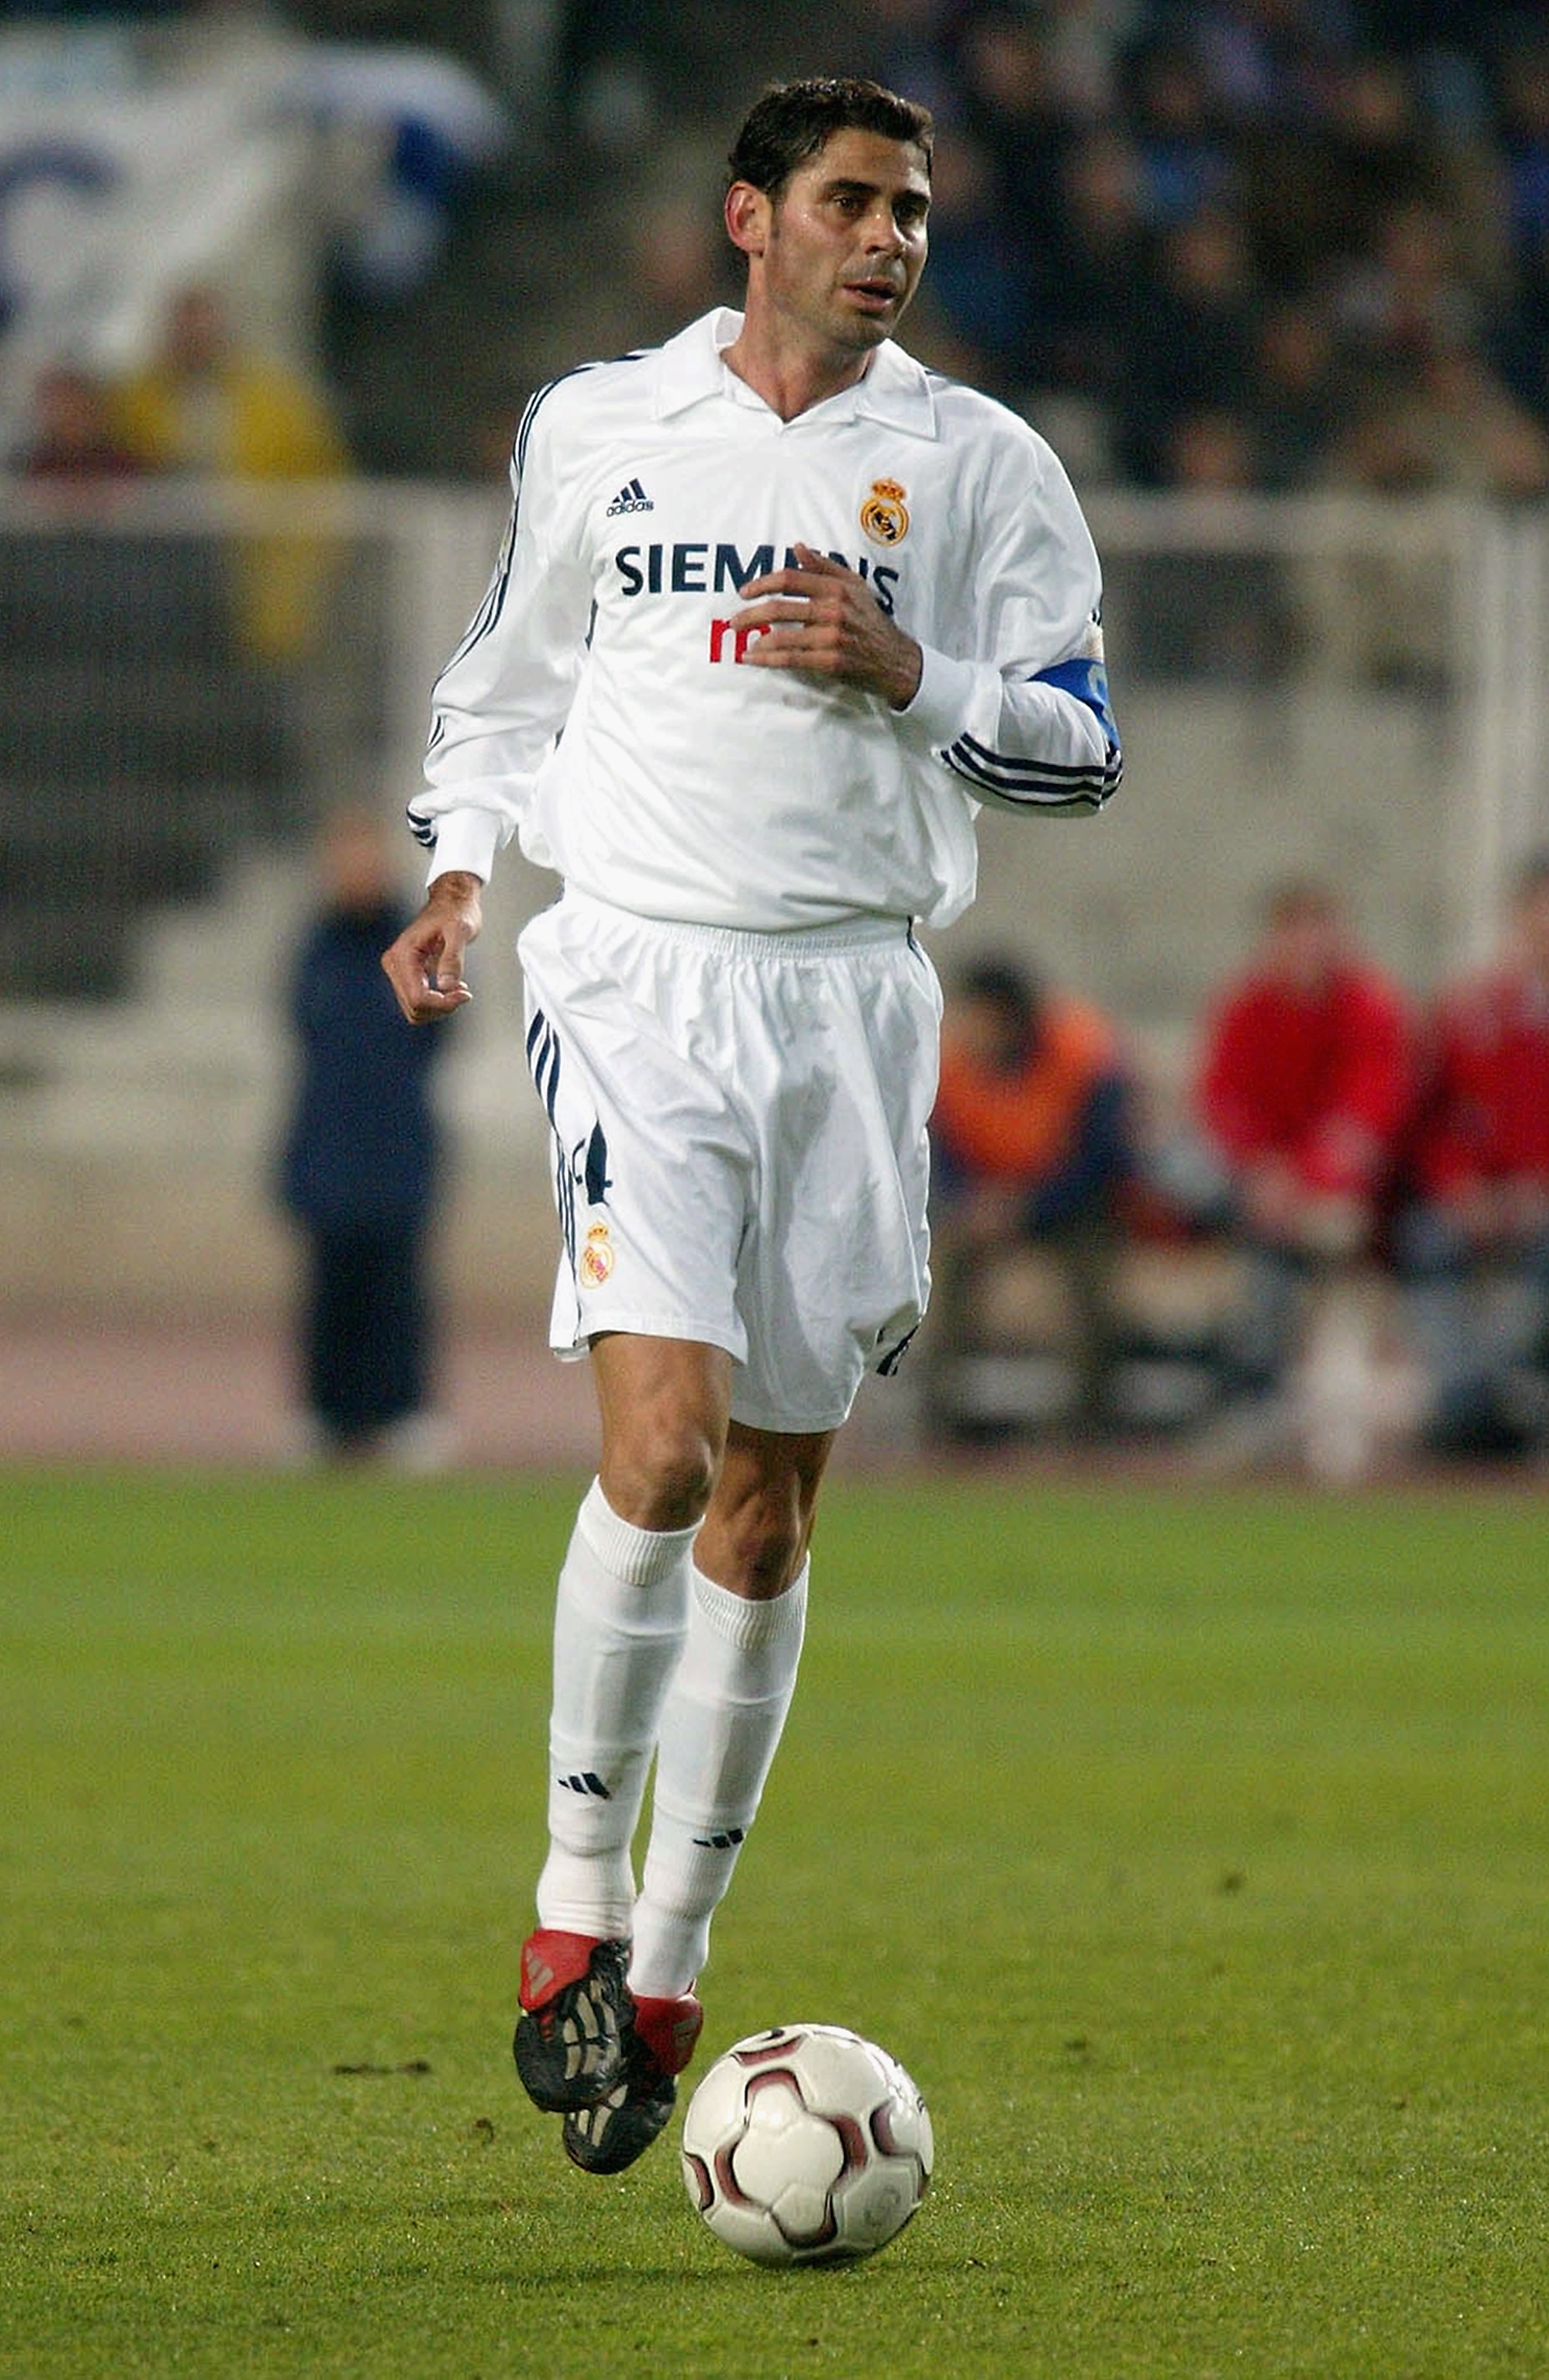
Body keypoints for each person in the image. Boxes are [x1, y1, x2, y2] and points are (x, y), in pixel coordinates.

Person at [381, 75, 1121, 2178]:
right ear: (751, 218)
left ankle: (671, 1965)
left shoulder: (980, 463)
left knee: (771, 1519)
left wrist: (913, 673)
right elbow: (504, 685)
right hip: (638, 976)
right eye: (853, 201)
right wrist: (459, 873)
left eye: (913, 210)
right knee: (662, 1449)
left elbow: (1080, 751)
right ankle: (568, 1912)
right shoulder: (600, 423)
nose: (890, 239)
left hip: (855, 999)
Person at [1193, 877, 1410, 1436]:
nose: (1307, 944)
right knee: (1197, 1181)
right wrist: (1261, 1170)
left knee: (1317, 1235)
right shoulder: (1246, 1007)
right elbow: (1222, 1100)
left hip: (1343, 1193)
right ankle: (1250, 1388)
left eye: (1319, 929)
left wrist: (1304, 1177)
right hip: (1261, 1187)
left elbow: (1366, 1115)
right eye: (1294, 930)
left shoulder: (1369, 1007)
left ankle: (1268, 1393)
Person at [279, 807, 452, 1466]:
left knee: (397, 1289)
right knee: (329, 1288)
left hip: (395, 1142)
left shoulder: (413, 944)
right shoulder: (314, 945)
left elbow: (439, 1032)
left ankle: (402, 1411)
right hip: (328, 1141)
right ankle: (326, 1412)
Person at [927, 955, 1135, 1439]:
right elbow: (938, 1154)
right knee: (937, 1275)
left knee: (1095, 1286)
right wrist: (970, 1204)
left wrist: (1028, 1208)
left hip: (1069, 1210)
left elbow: (1103, 1160)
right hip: (984, 1210)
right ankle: (943, 1416)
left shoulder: (1083, 1056)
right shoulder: (954, 1066)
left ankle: (1090, 1421)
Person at [1397, 851, 1549, 1456]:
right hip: (1475, 1201)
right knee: (1426, 1240)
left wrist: (1536, 1188)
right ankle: (1464, 1402)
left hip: (1537, 1205)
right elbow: (1431, 1119)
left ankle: (1509, 1397)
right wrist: (1459, 1185)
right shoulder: (1470, 1011)